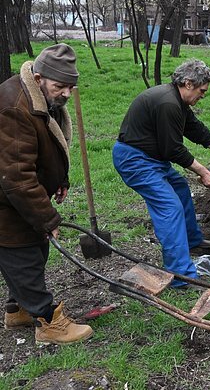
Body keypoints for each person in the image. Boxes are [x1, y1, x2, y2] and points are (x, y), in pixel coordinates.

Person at [112, 59, 210, 288]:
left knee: (180, 189)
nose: (203, 95)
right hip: (135, 160)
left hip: (152, 158)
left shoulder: (177, 101)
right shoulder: (167, 103)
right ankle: (180, 276)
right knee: (170, 208)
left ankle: (192, 241)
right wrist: (205, 172)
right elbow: (173, 149)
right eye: (202, 90)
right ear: (188, 83)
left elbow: (197, 130)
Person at [0, 44, 93, 344]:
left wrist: (59, 178)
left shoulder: (39, 97)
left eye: (71, 86)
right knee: (22, 254)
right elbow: (16, 177)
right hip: (6, 200)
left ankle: (18, 311)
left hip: (15, 195)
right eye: (60, 86)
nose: (67, 93)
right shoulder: (15, 107)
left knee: (35, 250)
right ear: (39, 77)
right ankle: (48, 322)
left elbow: (47, 144)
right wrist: (47, 217)